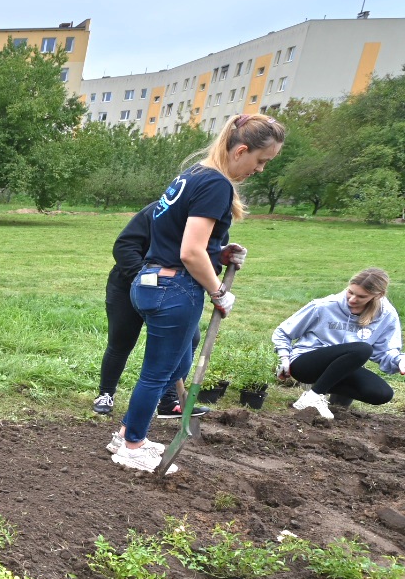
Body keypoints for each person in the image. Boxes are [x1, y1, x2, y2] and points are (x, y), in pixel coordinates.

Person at [109, 114, 285, 472]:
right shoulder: (216, 184)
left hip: (151, 280)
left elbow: (180, 240)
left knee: (170, 366)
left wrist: (219, 254)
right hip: (175, 288)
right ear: (241, 150)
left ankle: (127, 432)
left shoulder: (191, 176)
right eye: (261, 160)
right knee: (157, 373)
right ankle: (132, 446)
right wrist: (218, 291)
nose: (260, 169)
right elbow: (190, 252)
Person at [93, 206, 205, 420]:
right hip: (128, 284)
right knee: (121, 340)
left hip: (172, 290)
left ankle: (168, 400)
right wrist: (143, 279)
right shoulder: (158, 210)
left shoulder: (205, 218)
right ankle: (106, 394)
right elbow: (124, 246)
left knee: (189, 340)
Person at [272, 268, 405, 418]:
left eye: (361, 296)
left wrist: (402, 360)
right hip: (306, 363)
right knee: (363, 349)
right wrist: (284, 357)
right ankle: (312, 397)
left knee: (382, 393)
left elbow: (385, 351)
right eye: (350, 292)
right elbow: (283, 332)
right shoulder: (324, 305)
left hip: (344, 367)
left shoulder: (386, 315)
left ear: (378, 295)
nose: (352, 299)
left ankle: (333, 406)